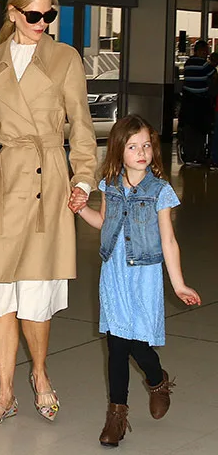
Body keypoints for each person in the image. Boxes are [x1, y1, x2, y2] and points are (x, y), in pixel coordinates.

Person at [0, 0, 97, 426]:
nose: (43, 23)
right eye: (35, 15)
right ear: (13, 13)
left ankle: (39, 374)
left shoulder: (64, 58)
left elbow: (81, 126)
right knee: (0, 294)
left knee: (36, 296)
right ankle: (5, 393)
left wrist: (83, 180)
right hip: (3, 181)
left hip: (47, 182)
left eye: (49, 15)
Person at [71, 115, 201, 447]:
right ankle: (116, 416)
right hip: (114, 273)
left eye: (146, 145)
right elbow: (104, 222)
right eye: (132, 147)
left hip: (144, 275)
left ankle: (157, 380)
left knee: (139, 345)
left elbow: (168, 240)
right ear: (118, 150)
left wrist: (179, 284)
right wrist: (81, 209)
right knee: (116, 345)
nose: (141, 152)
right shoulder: (110, 185)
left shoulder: (160, 191)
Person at [178, 40, 216, 165]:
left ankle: (189, 156)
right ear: (199, 51)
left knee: (189, 129)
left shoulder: (188, 63)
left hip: (188, 100)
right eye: (205, 51)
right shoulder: (204, 64)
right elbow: (214, 75)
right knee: (200, 130)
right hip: (200, 102)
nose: (206, 54)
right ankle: (198, 155)